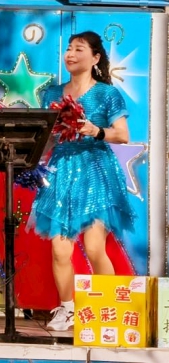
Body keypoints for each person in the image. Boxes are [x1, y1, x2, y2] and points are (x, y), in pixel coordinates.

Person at [30, 30, 134, 332]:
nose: (71, 54)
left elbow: (122, 135)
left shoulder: (106, 94)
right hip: (61, 172)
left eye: (79, 49)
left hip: (95, 172)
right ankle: (67, 310)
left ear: (95, 57)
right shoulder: (51, 94)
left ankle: (107, 310)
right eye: (69, 49)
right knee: (60, 250)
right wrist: (33, 155)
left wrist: (94, 130)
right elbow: (48, 139)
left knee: (94, 248)